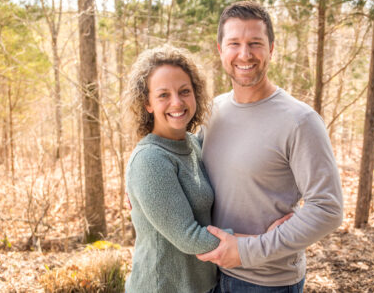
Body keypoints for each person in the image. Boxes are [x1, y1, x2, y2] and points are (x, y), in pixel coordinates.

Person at [196, 1, 344, 292]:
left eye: (255, 43)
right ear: (220, 50)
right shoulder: (212, 112)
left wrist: (248, 249)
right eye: (234, 43)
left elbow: (328, 208)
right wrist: (142, 179)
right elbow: (184, 165)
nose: (244, 54)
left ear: (271, 49)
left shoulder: (300, 121)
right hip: (209, 275)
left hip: (266, 283)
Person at [123, 45, 290, 293]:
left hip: (204, 286)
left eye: (184, 91)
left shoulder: (194, 143)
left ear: (195, 95)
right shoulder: (150, 160)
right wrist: (266, 242)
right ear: (147, 103)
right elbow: (190, 238)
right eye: (163, 95)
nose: (177, 102)